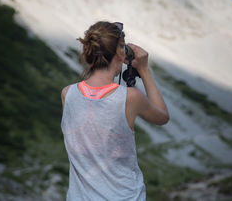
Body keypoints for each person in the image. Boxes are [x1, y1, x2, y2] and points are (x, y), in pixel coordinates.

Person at [60, 21, 169, 200]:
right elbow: (162, 117)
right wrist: (144, 69)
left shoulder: (67, 94)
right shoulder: (130, 97)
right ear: (120, 51)